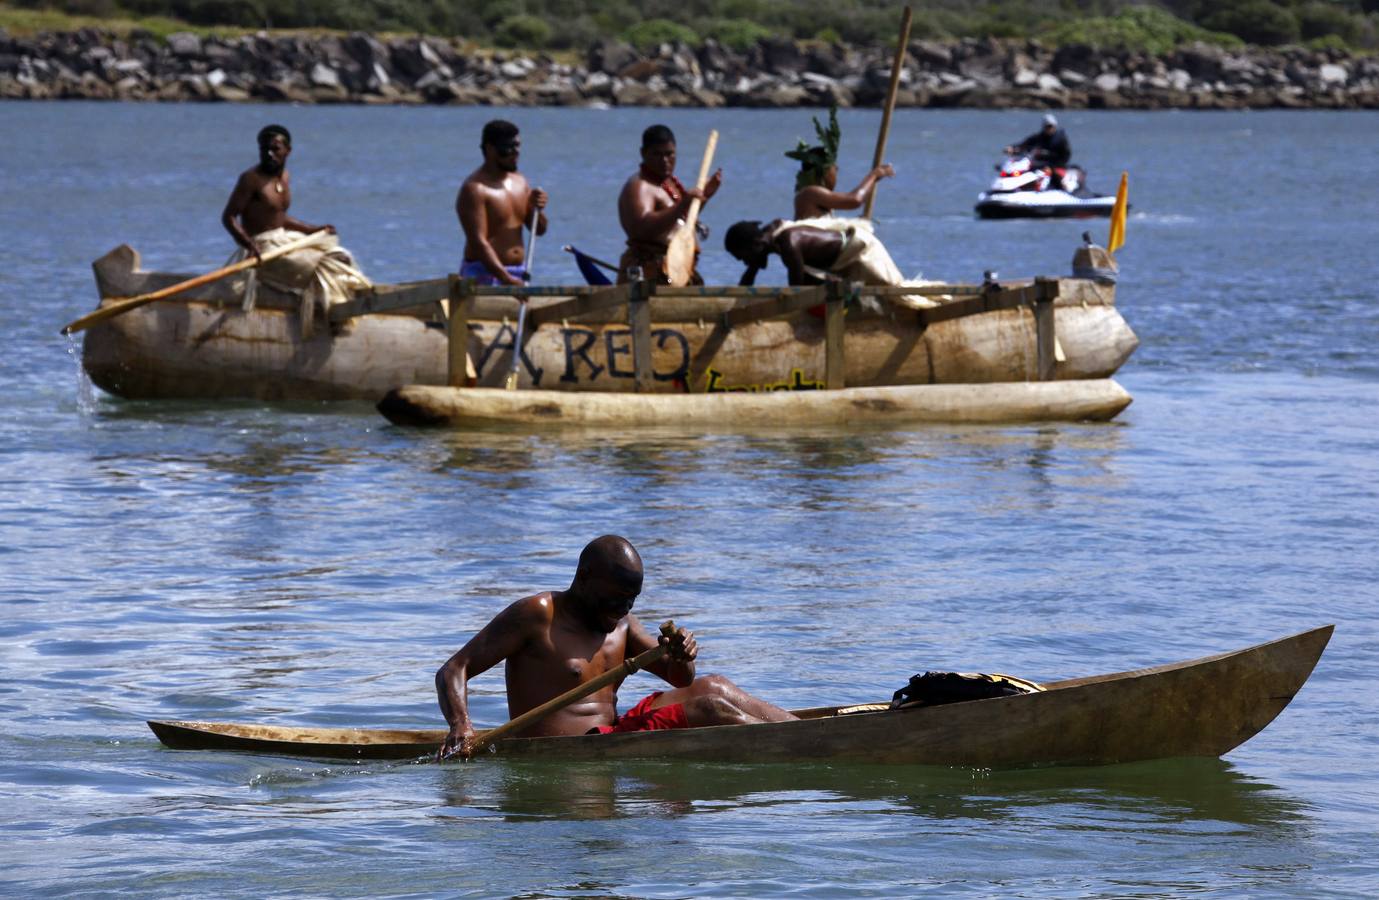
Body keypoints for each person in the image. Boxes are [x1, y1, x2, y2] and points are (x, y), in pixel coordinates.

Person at [435, 535, 797, 760]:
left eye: (632, 600)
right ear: (585, 577)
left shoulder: (623, 625)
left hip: (613, 738)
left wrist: (683, 656)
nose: (625, 609)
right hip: (568, 752)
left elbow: (680, 679)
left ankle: (807, 731)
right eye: (617, 598)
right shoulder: (537, 615)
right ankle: (801, 748)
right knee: (710, 707)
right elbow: (454, 669)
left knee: (715, 685)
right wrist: (461, 725)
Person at [221, 124, 370, 335]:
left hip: (283, 240)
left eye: (275, 149)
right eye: (264, 150)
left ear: (288, 151)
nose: (269, 154)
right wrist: (249, 245)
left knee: (340, 257)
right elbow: (228, 217)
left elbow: (280, 218)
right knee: (322, 265)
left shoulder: (284, 177)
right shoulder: (250, 179)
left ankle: (339, 306)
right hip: (262, 247)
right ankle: (333, 320)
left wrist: (313, 229)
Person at [723, 218, 936, 308]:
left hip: (861, 251)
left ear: (755, 245)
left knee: (901, 295)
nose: (745, 263)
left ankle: (939, 297)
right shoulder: (769, 238)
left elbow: (797, 291)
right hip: (841, 263)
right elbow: (749, 277)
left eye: (743, 257)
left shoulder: (788, 243)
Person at [616, 124, 722, 284]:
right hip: (649, 272)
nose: (665, 161)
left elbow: (681, 221)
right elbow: (642, 228)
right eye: (657, 154)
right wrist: (682, 204)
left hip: (678, 270)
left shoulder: (668, 184)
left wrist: (704, 196)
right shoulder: (640, 186)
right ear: (643, 153)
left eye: (669, 154)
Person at [457, 120, 548, 287]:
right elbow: (478, 242)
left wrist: (538, 209)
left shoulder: (520, 182)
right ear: (490, 149)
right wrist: (505, 279)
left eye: (518, 146)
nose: (515, 153)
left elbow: (539, 229)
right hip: (484, 273)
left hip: (518, 273)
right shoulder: (474, 189)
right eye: (509, 147)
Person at [787, 106, 895, 220]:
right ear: (824, 171)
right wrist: (874, 175)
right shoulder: (810, 193)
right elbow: (855, 200)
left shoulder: (820, 198)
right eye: (834, 168)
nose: (837, 171)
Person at [1004, 113, 1072, 185]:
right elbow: (1023, 145)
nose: (1049, 129)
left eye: (1050, 126)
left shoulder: (1061, 139)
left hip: (1056, 165)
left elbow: (1066, 156)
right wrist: (1012, 148)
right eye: (1047, 126)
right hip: (1039, 165)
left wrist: (1052, 167)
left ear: (1055, 126)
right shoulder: (1039, 137)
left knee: (1055, 177)